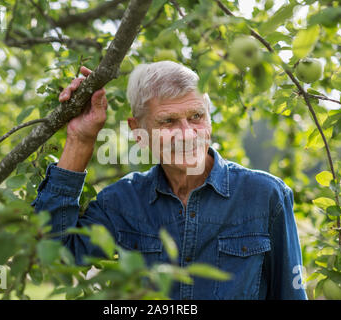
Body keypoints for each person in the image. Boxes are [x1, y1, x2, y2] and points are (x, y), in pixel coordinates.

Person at [31, 60, 307, 300]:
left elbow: (290, 295)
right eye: (168, 121)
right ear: (138, 131)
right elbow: (54, 259)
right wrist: (81, 139)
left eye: (196, 116)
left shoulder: (265, 195)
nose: (187, 134)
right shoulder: (121, 202)